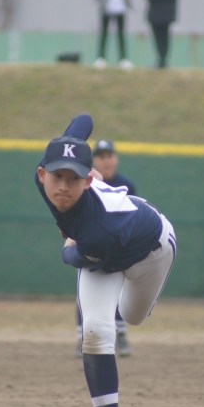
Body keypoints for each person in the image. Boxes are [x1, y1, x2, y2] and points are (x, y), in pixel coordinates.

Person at [35, 114, 176, 407]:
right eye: (57, 175)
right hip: (106, 254)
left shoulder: (98, 231)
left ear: (88, 180)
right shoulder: (44, 178)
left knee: (132, 316)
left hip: (152, 249)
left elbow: (72, 256)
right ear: (42, 174)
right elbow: (83, 121)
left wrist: (70, 242)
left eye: (75, 178)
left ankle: (125, 300)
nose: (64, 186)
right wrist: (72, 138)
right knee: (96, 334)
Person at [74, 138, 138, 358]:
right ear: (94, 161)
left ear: (116, 158)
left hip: (118, 247)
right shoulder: (85, 183)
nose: (106, 161)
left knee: (119, 292)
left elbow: (133, 216)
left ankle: (121, 337)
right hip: (91, 245)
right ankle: (83, 338)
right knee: (85, 293)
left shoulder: (127, 185)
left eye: (109, 155)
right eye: (101, 157)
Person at [91, 0, 134, 70]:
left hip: (120, 8)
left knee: (121, 34)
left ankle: (123, 58)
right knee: (104, 33)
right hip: (106, 8)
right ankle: (101, 57)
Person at [143, 0, 177, 69]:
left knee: (165, 37)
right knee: (157, 37)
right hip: (154, 13)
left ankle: (163, 60)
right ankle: (159, 59)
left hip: (166, 13)